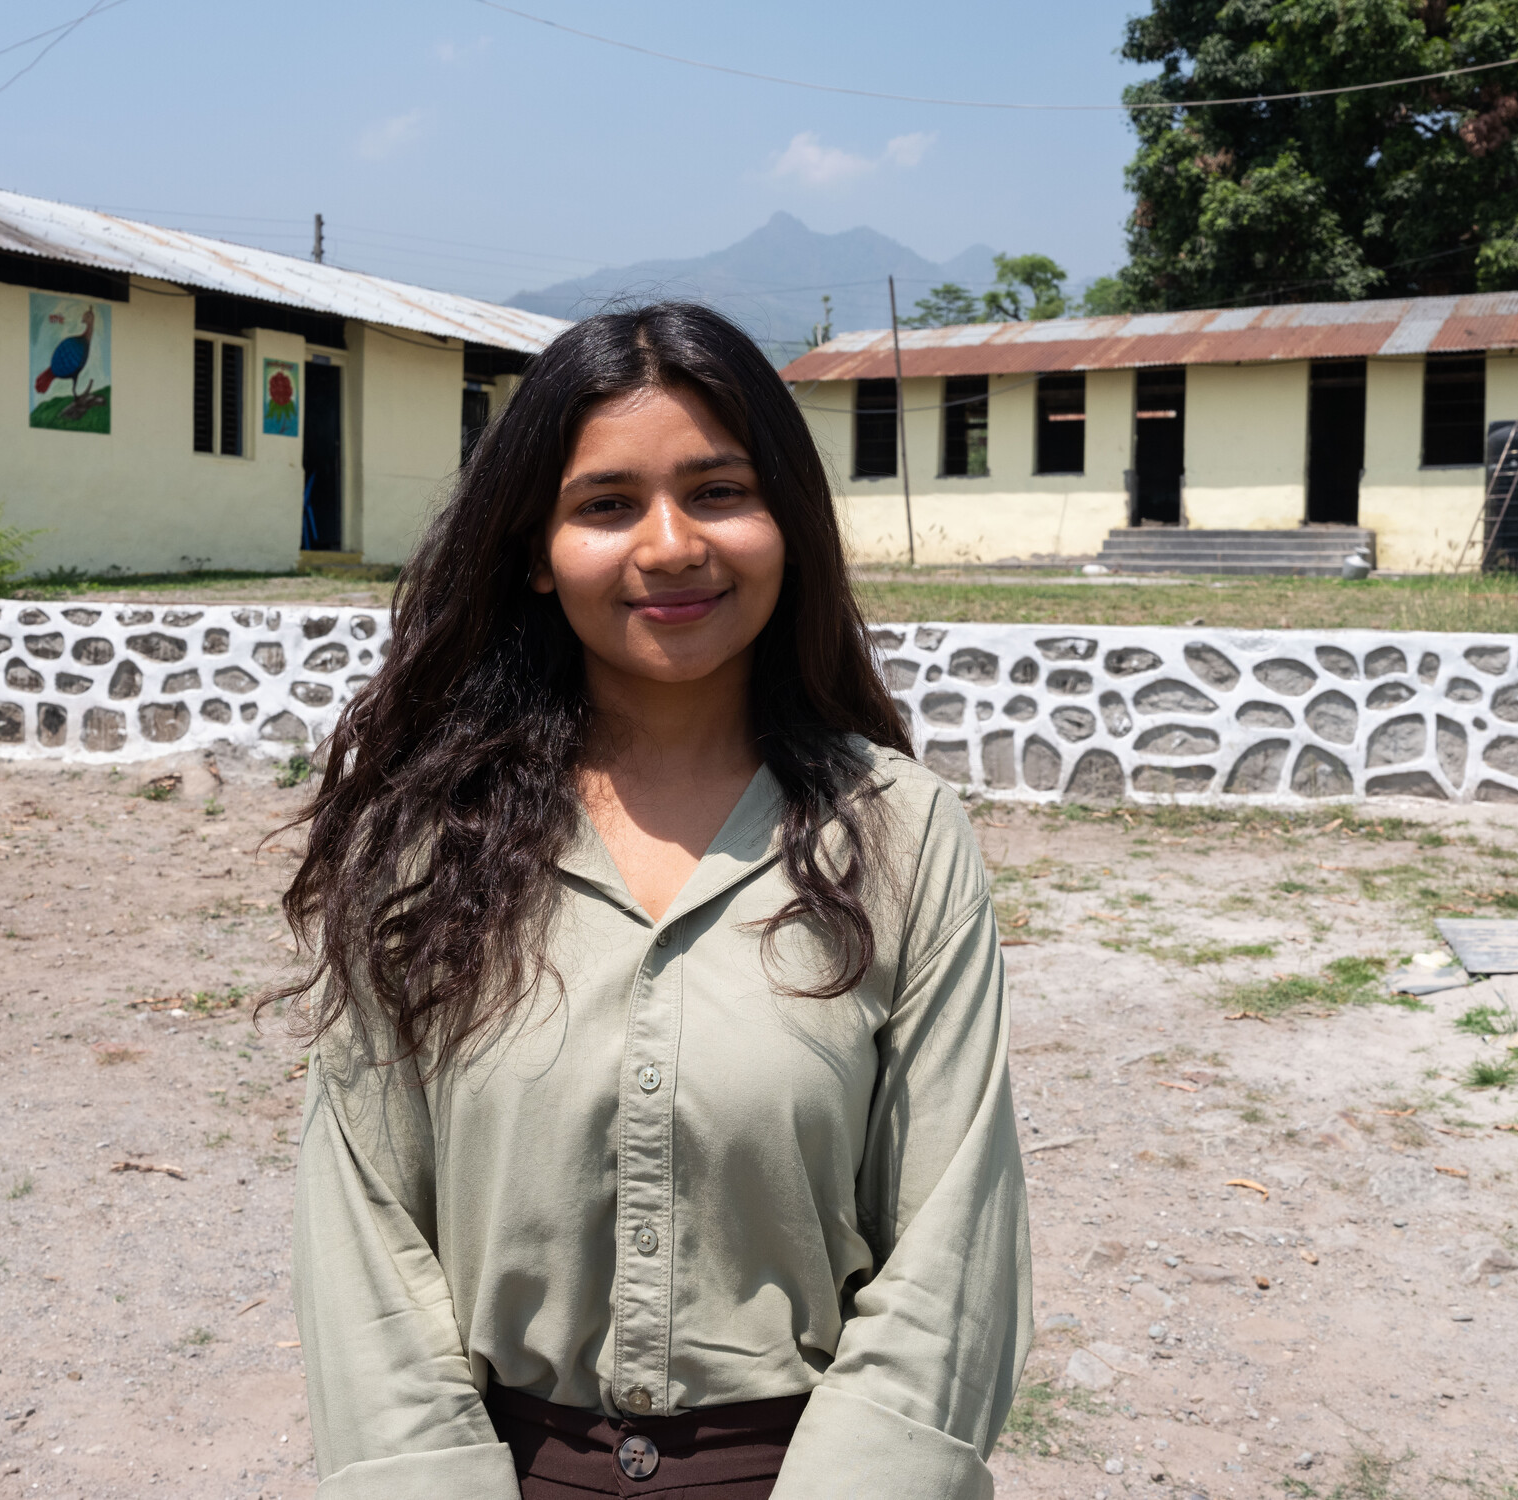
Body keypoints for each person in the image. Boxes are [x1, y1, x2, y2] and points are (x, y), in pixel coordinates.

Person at [280, 302, 1030, 1500]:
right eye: (606, 504)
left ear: (787, 519)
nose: (670, 544)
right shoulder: (422, 846)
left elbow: (952, 1239)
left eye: (719, 492)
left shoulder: (897, 837)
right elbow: (364, 1234)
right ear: (535, 547)